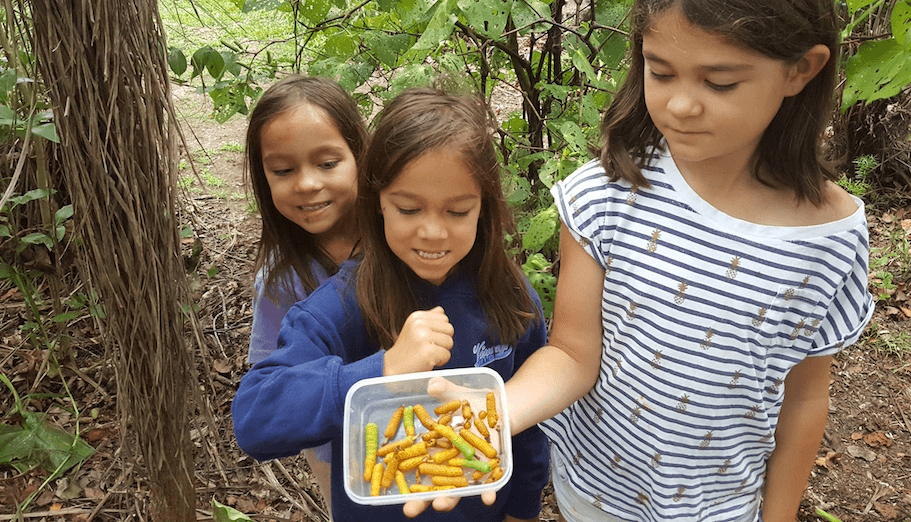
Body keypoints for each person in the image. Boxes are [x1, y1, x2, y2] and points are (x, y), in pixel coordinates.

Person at [501, 1, 876, 521]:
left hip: (720, 507)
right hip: (595, 492)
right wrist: (488, 416)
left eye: (719, 83)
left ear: (800, 70)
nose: (680, 105)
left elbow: (805, 398)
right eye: (660, 71)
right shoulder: (607, 193)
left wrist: (780, 515)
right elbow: (571, 354)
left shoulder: (830, 239)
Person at [232, 86, 550, 522]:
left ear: (485, 209)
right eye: (408, 209)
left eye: (457, 212)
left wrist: (524, 510)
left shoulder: (512, 299)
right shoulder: (343, 305)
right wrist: (382, 371)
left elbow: (527, 424)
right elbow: (256, 419)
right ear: (378, 201)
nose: (433, 232)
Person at [244, 74, 368, 514]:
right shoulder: (282, 281)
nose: (307, 184)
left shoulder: (398, 242)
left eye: (328, 163)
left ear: (360, 156)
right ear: (264, 177)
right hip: (336, 451)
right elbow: (272, 382)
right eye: (283, 170)